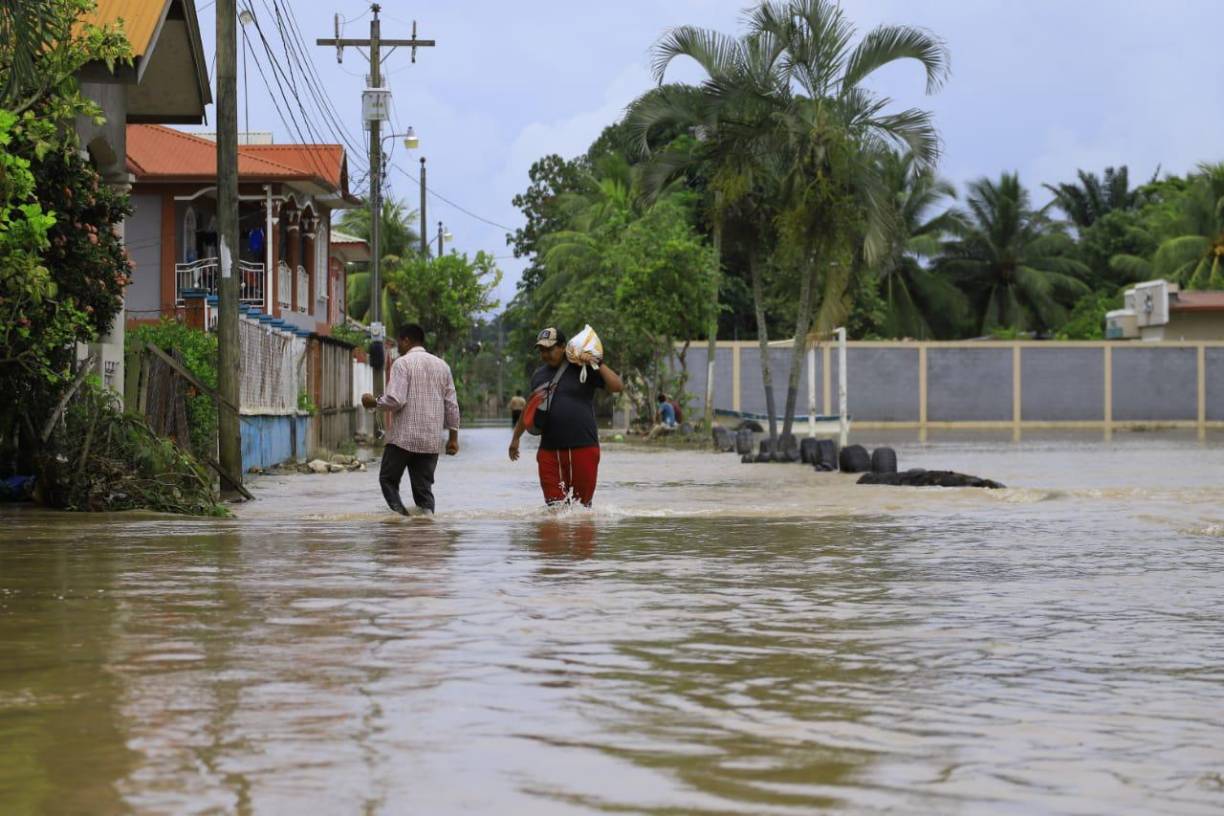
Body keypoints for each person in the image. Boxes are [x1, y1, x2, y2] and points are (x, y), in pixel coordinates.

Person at [508, 327, 623, 507]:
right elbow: (530, 407)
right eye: (541, 350)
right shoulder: (538, 375)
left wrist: (597, 363)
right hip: (549, 452)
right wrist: (515, 438)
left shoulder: (584, 367)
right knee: (554, 511)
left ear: (563, 347)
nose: (545, 354)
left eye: (550, 349)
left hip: (583, 447)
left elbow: (617, 386)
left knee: (582, 509)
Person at [361, 324, 460, 516]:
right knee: (424, 491)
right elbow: (452, 405)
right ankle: (426, 527)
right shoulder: (443, 366)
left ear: (406, 340)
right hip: (430, 441)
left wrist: (372, 401)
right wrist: (453, 438)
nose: (398, 346)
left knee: (388, 480)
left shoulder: (402, 363)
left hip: (403, 439)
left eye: (399, 342)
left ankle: (402, 519)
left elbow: (395, 400)